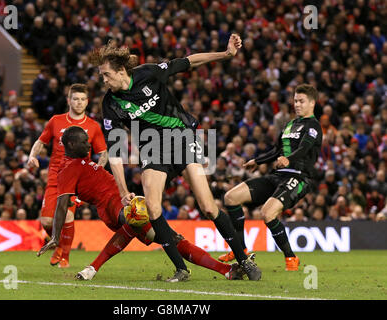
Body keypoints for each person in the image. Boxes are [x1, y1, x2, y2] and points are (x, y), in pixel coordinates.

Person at [88, 34, 261, 281]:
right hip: (152, 149)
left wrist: (225, 54)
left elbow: (189, 62)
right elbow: (115, 150)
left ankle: (244, 261)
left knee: (209, 207)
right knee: (153, 207)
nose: (102, 80)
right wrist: (123, 188)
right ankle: (181, 269)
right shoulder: (110, 104)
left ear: (120, 71)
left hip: (182, 138)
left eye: (105, 74)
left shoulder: (149, 73)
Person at [37, 126, 246, 282]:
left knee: (173, 240)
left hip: (122, 200)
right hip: (113, 207)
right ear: (72, 145)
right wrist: (55, 236)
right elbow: (62, 204)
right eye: (84, 141)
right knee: (143, 218)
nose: (88, 144)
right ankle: (222, 270)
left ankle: (226, 271)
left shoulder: (81, 158)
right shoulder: (66, 171)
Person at [221, 84, 323, 271]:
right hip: (278, 176)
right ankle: (240, 250)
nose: (297, 104)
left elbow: (304, 148)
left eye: (301, 101)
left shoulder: (313, 126)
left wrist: (288, 159)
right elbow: (277, 150)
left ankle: (291, 258)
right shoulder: (291, 124)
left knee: (267, 213)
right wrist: (257, 161)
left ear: (312, 103)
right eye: (295, 100)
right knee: (230, 197)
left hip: (299, 178)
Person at [27, 83, 108, 268]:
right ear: (68, 100)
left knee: (68, 217)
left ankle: (65, 256)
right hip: (56, 175)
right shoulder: (56, 121)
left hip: (77, 177)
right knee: (47, 221)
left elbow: (103, 153)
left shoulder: (93, 126)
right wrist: (32, 156)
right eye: (75, 99)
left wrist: (97, 169)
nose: (79, 103)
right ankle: (59, 244)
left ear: (87, 102)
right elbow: (40, 141)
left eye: (82, 99)